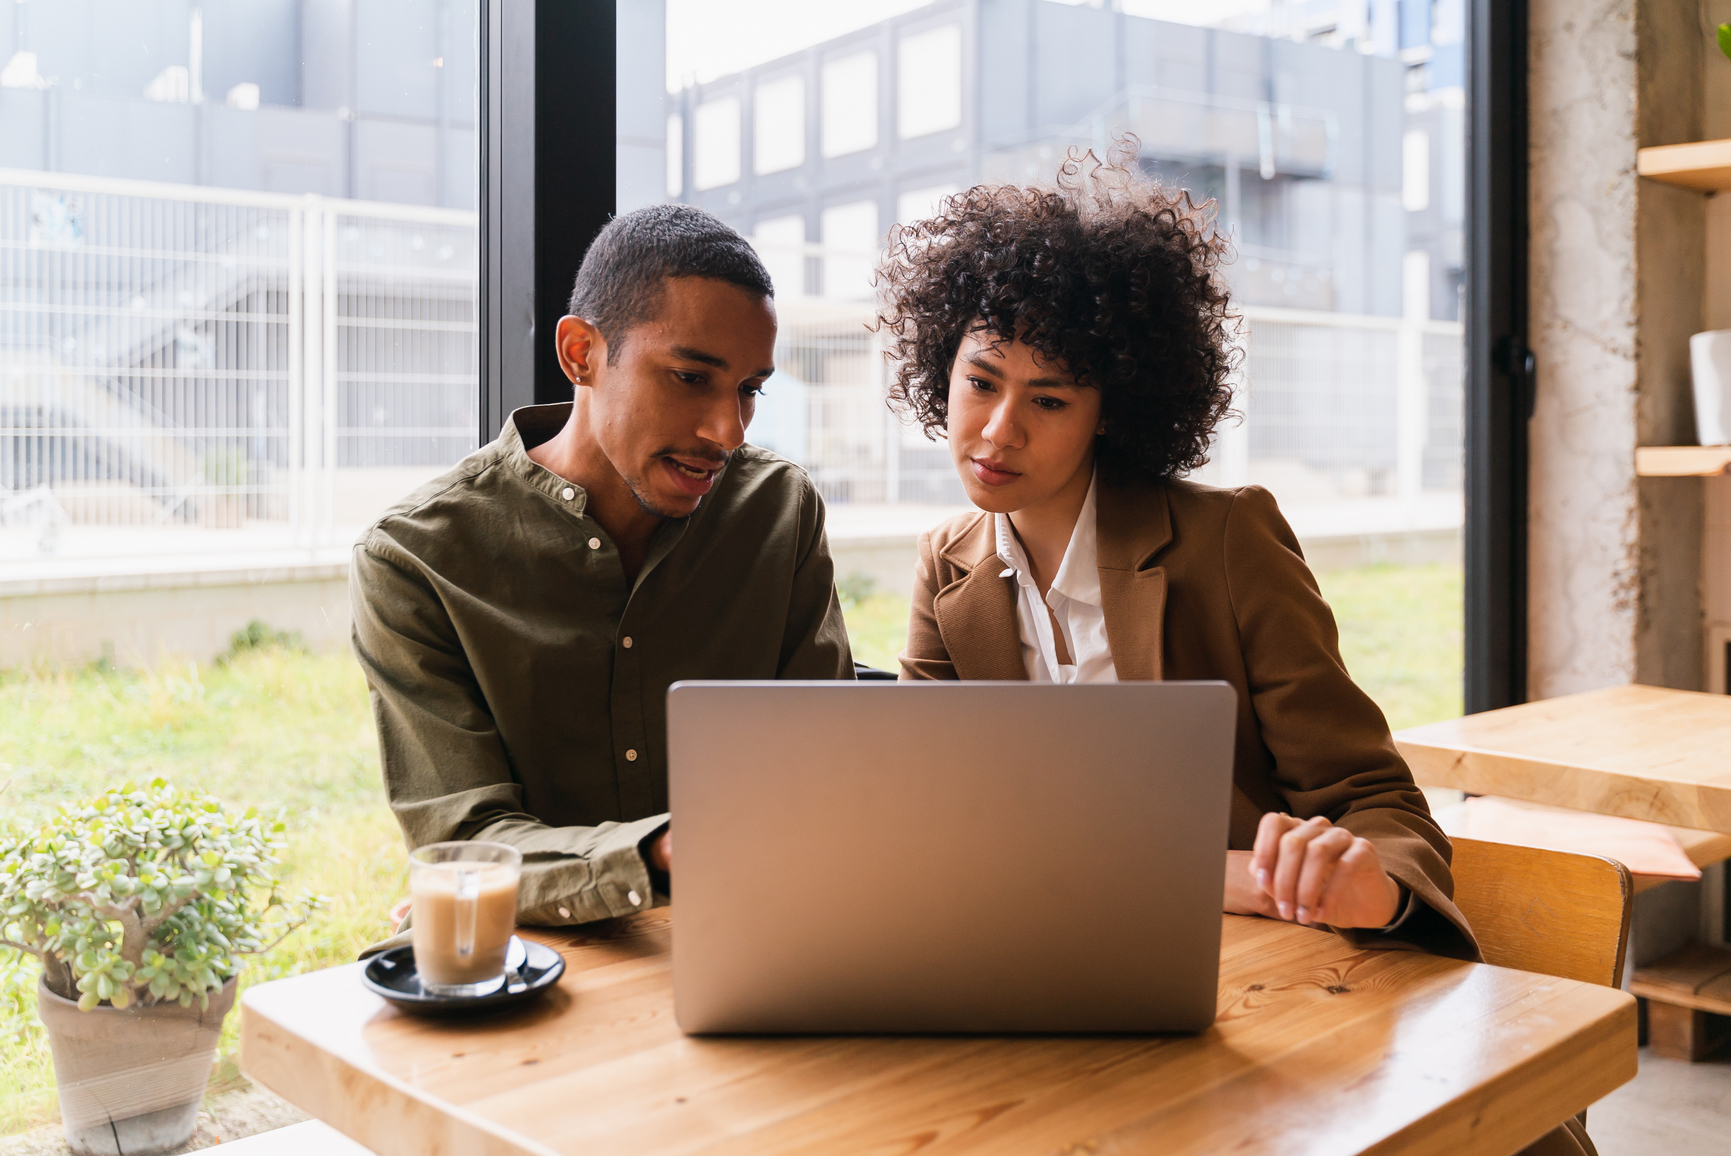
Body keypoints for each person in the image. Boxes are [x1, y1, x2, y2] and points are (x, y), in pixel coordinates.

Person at [880, 149, 1595, 1156]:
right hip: (1084, 997)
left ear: (1107, 414)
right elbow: (938, 827)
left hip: (1301, 1008)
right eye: (980, 381)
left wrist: (1366, 882)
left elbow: (1380, 803)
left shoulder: (1225, 541)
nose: (996, 429)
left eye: (1049, 400)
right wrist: (1221, 877)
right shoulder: (946, 576)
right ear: (938, 371)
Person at [351, 204, 852, 935]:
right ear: (581, 352)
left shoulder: (778, 510)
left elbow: (828, 766)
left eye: (749, 389)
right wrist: (661, 852)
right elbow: (466, 841)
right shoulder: (416, 561)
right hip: (543, 969)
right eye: (689, 377)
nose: (727, 431)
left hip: (762, 930)